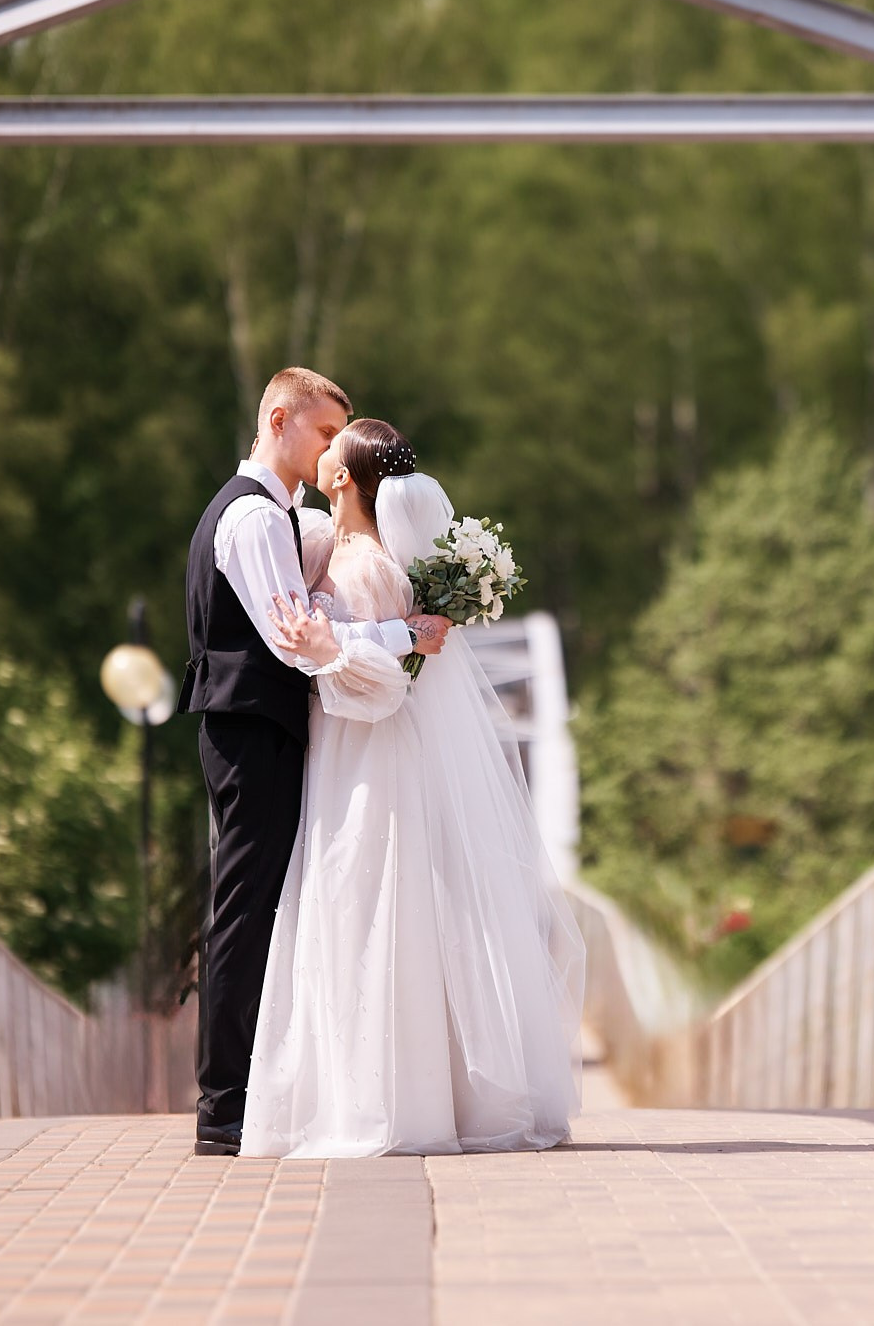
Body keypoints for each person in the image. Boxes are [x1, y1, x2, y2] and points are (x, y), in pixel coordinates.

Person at [239, 418, 582, 1157]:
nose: (320, 447)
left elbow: (387, 691)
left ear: (339, 478)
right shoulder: (329, 547)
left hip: (367, 761)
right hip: (343, 756)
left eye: (332, 443)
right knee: (357, 906)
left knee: (368, 904)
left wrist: (328, 653)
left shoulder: (367, 570)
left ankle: (390, 1101)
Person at [178, 368, 450, 1158]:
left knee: (254, 904)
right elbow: (296, 646)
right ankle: (223, 1105)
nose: (334, 450)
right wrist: (406, 636)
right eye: (327, 432)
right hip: (252, 730)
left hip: (255, 729)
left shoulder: (279, 519)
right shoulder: (257, 522)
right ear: (279, 419)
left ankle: (237, 1096)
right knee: (244, 908)